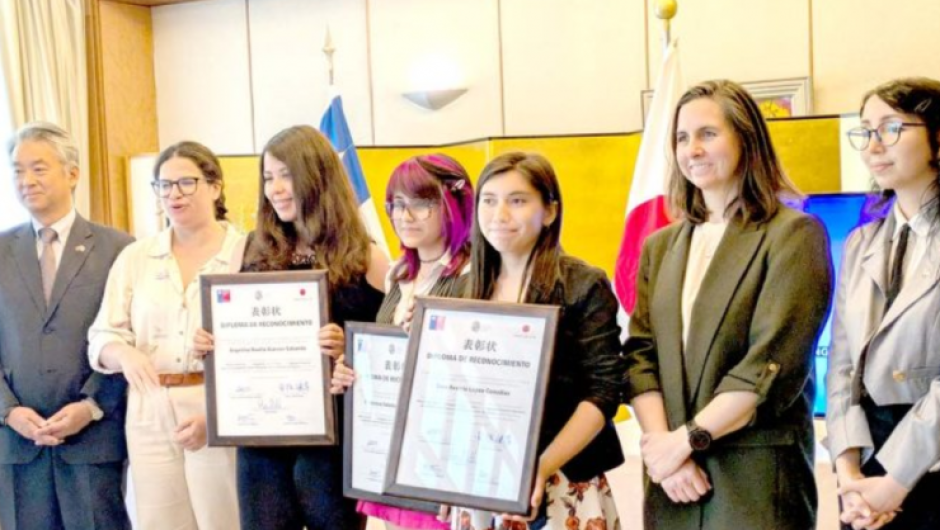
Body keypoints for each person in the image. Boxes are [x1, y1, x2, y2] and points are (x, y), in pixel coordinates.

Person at [623, 80, 833, 530]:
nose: (692, 149)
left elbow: (770, 363)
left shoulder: (793, 234)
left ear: (746, 139)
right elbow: (640, 356)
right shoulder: (660, 246)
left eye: (708, 134)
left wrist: (687, 441)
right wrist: (665, 450)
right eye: (682, 137)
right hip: (672, 483)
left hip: (751, 482)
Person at [195, 125, 388, 530]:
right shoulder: (248, 250)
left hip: (335, 438)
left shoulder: (367, 258)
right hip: (262, 435)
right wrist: (211, 343)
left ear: (317, 176)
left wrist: (347, 351)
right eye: (268, 177)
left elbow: (389, 357)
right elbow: (228, 335)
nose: (276, 189)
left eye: (287, 175)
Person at [454, 152, 623, 530]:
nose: (499, 215)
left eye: (517, 201)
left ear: (549, 211)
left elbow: (604, 391)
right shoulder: (464, 289)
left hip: (560, 476)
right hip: (482, 481)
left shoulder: (583, 284)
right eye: (488, 200)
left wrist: (540, 467)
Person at [88, 141, 243, 529]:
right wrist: (123, 354)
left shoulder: (245, 252)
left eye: (186, 183)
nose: (174, 194)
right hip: (149, 404)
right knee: (159, 520)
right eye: (163, 185)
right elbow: (102, 334)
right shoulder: (136, 256)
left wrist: (217, 415)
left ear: (215, 187)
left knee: (224, 519)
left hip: (218, 403)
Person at [330, 153, 474, 530]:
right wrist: (353, 369)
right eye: (396, 204)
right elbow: (386, 354)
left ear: (454, 204)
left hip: (448, 453)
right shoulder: (398, 273)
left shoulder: (474, 276)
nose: (405, 216)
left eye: (421, 203)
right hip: (397, 447)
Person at [0, 122, 132, 530]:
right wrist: (7, 410)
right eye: (18, 171)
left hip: (93, 439)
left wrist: (91, 406)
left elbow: (129, 338)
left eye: (38, 168)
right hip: (17, 445)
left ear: (72, 173)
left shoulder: (119, 249)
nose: (26, 181)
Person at [827, 77, 940, 530]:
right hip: (865, 471)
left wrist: (895, 482)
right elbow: (842, 366)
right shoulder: (861, 242)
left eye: (891, 128)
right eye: (866, 131)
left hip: (928, 463)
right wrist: (848, 472)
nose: (874, 145)